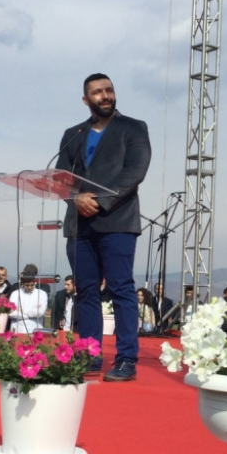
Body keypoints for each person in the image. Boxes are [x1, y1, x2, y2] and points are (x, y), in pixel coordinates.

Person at [55, 73, 151, 382]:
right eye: (97, 92)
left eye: (109, 89)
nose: (105, 95)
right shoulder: (73, 134)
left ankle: (126, 359)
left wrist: (99, 200)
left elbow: (134, 171)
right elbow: (61, 178)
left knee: (121, 288)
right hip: (79, 225)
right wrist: (76, 198)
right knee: (86, 291)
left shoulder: (133, 128)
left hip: (117, 221)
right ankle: (89, 355)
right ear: (86, 100)